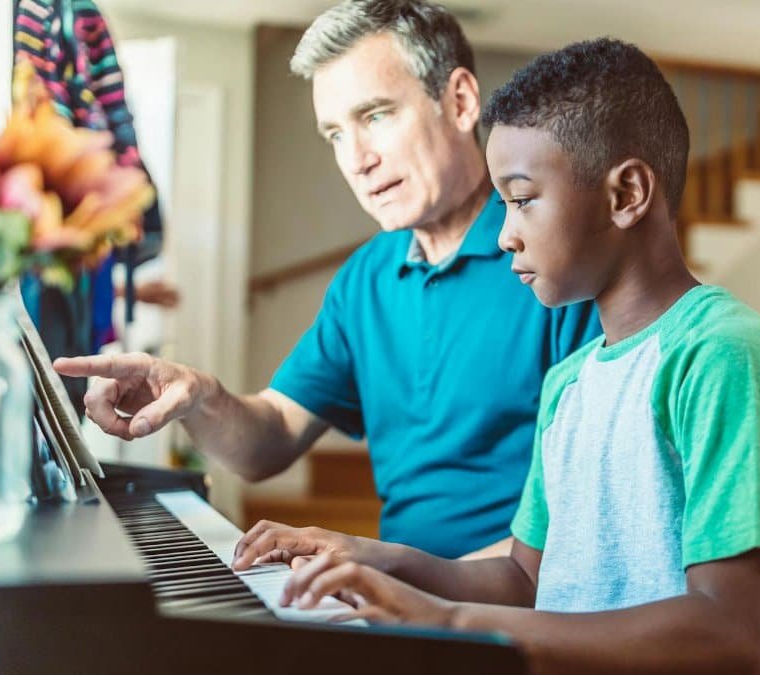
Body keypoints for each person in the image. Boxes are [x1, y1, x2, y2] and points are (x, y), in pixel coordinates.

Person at [231, 38, 760, 674]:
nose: (506, 232)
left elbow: (732, 636)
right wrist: (371, 556)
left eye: (521, 198)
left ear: (626, 194)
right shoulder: (570, 382)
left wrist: (449, 619)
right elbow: (524, 578)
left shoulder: (722, 356)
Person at [53, 0, 600, 559]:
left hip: (514, 615)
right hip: (413, 607)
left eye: (376, 116)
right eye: (335, 134)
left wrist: (389, 573)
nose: (356, 159)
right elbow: (267, 443)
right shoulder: (365, 278)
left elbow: (591, 523)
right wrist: (197, 397)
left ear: (459, 102)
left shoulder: (557, 262)